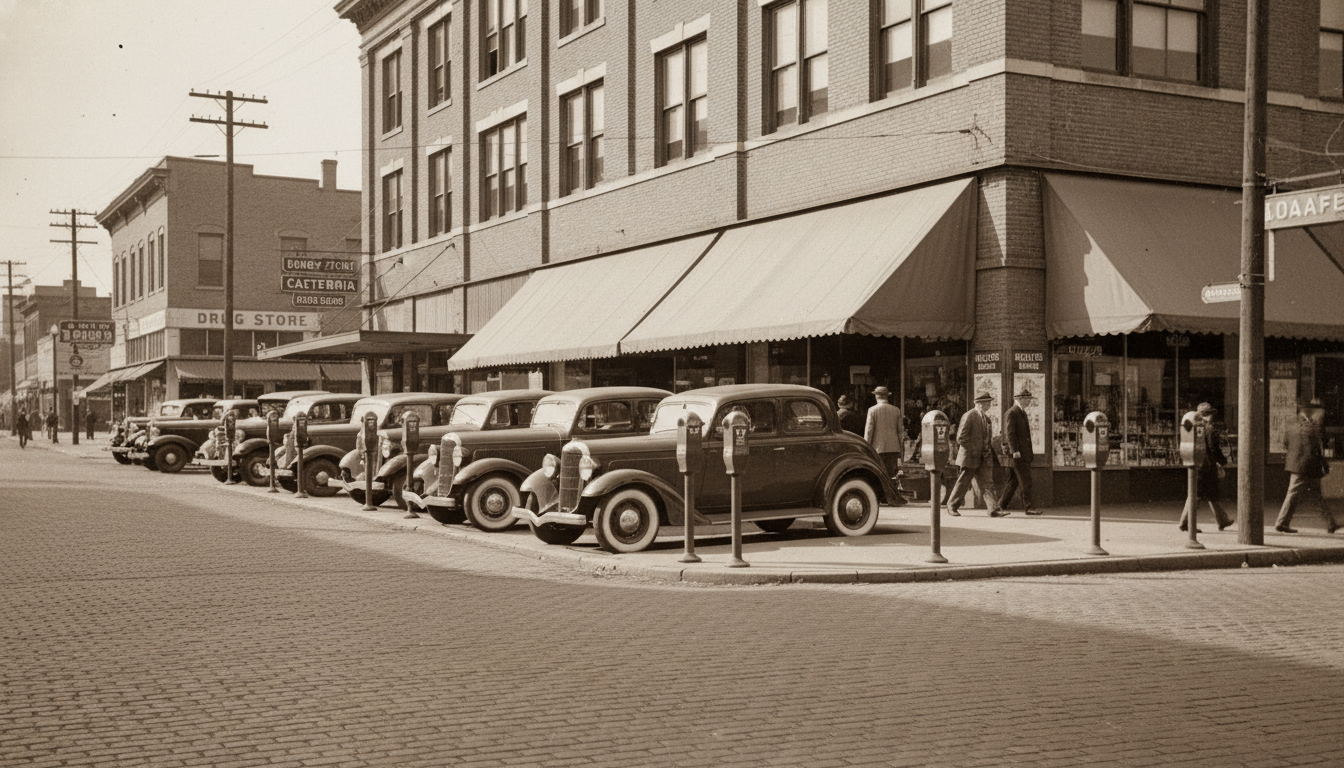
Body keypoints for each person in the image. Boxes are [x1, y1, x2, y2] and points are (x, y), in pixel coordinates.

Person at [1274, 398, 1340, 534]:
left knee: (1308, 494)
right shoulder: (1311, 425)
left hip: (1298, 464)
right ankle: (1281, 523)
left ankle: (1330, 523)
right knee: (1301, 494)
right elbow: (1313, 447)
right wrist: (1323, 464)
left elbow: (1286, 443)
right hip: (1306, 466)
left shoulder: (1291, 422)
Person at [947, 392, 1006, 517]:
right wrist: (975, 450)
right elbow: (961, 438)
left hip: (982, 457)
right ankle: (952, 505)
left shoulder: (986, 419)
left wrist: (985, 451)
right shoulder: (969, 416)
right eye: (986, 403)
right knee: (963, 482)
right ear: (978, 404)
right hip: (970, 456)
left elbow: (986, 438)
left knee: (987, 482)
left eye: (989, 403)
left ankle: (993, 509)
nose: (988, 405)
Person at [1178, 402, 1233, 532]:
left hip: (1198, 464)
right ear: (1209, 416)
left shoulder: (1195, 428)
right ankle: (1185, 523)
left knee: (1210, 494)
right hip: (1208, 467)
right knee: (1197, 495)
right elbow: (1215, 450)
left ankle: (1222, 520)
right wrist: (1223, 461)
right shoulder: (1211, 430)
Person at [997, 388, 1041, 515]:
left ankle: (1001, 505)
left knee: (1014, 481)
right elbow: (1010, 433)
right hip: (1018, 453)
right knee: (1026, 481)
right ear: (1020, 399)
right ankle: (1029, 507)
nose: (1029, 402)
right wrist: (1015, 450)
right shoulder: (1012, 412)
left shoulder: (1021, 412)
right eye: (1027, 399)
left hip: (1022, 452)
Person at [864, 386, 904, 479]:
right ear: (887, 396)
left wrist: (866, 447)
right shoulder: (896, 410)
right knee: (891, 476)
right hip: (893, 448)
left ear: (876, 396)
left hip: (878, 449)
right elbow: (900, 431)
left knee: (879, 475)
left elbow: (869, 431)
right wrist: (900, 449)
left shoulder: (872, 410)